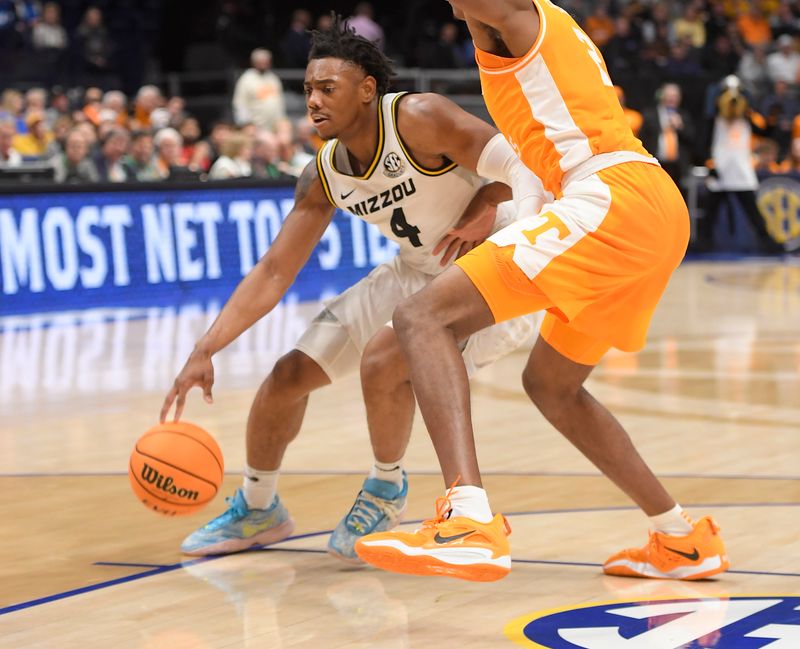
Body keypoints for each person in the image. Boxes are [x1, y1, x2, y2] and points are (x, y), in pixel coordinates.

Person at [355, 0, 729, 583]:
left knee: (421, 318)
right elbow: (531, 164)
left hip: (610, 196)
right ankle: (682, 539)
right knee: (551, 385)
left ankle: (468, 519)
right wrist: (514, 213)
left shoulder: (520, 14)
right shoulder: (513, 45)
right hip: (640, 205)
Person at [160, 18, 542, 561]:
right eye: (308, 90)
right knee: (286, 378)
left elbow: (526, 161)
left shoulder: (419, 118)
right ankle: (258, 506)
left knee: (383, 361)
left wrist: (488, 203)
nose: (313, 101)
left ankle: (386, 488)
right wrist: (205, 349)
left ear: (367, 90)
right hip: (416, 267)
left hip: (493, 266)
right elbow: (274, 270)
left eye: (327, 89)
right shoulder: (323, 174)